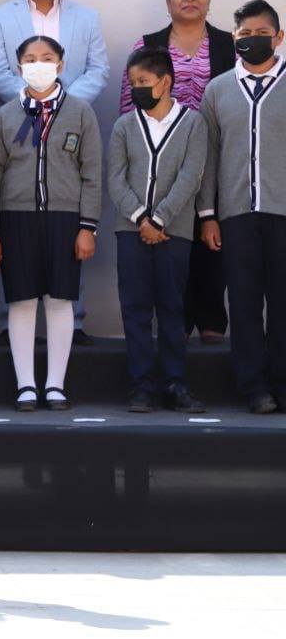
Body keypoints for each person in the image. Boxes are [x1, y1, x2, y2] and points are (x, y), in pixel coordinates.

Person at [0, 0, 109, 345]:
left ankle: (74, 321)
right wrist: (31, 101)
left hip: (69, 124)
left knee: (67, 224)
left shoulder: (86, 18)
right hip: (18, 124)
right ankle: (8, 321)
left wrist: (62, 103)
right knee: (18, 227)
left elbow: (98, 70)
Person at [0, 36, 102, 412]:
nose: (39, 64)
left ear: (61, 65)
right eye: (31, 59)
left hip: (66, 219)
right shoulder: (4, 116)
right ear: (19, 69)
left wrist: (88, 226)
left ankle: (55, 385)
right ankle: (25, 385)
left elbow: (92, 173)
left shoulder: (81, 112)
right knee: (20, 301)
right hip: (15, 220)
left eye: (47, 58)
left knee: (60, 300)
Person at [118, 0, 236, 345]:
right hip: (159, 153)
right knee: (174, 232)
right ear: (168, 2)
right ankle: (178, 320)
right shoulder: (148, 43)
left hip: (215, 148)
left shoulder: (226, 44)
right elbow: (128, 100)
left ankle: (212, 317)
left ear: (209, 0)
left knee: (211, 228)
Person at [197, 0, 286, 415]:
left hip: (282, 212)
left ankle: (282, 383)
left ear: (279, 37)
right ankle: (253, 387)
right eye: (244, 35)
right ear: (234, 39)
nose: (253, 41)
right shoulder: (217, 90)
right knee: (246, 303)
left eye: (261, 34)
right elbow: (209, 157)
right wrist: (207, 215)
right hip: (235, 215)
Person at [108, 47, 207, 414]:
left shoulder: (193, 123)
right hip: (130, 231)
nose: (137, 89)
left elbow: (191, 175)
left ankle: (175, 383)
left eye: (143, 82)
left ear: (165, 82)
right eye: (133, 83)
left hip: (174, 231)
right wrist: (140, 219)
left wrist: (161, 219)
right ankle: (141, 386)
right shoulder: (123, 125)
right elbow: (115, 178)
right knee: (134, 308)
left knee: (171, 307)